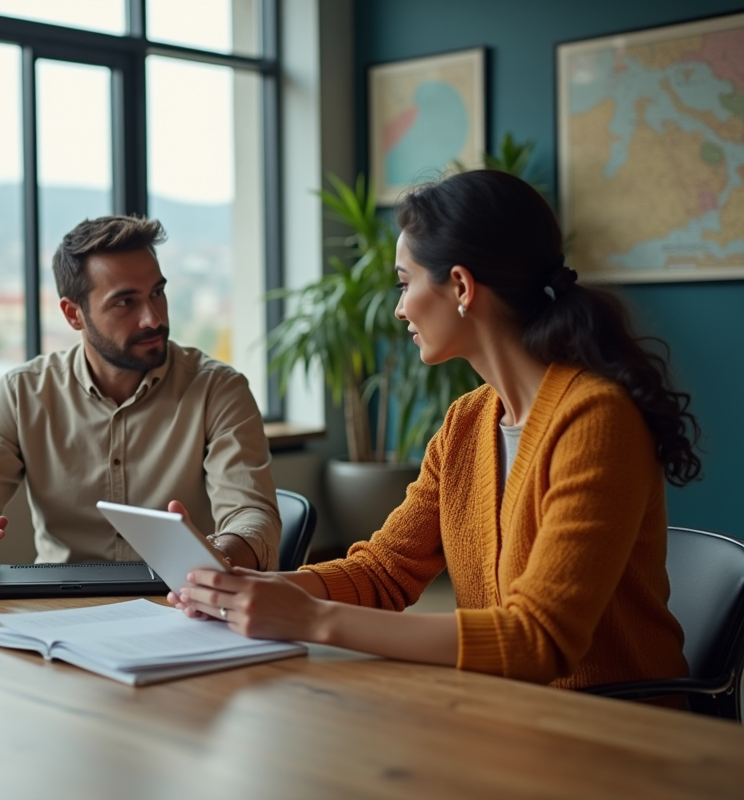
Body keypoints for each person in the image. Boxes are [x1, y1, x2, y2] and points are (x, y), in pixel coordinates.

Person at [174, 170, 699, 692]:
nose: (400, 308)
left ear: (463, 287)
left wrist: (310, 618)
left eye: (405, 283)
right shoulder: (466, 422)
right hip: (503, 718)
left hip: (616, 733)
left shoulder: (596, 420)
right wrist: (247, 588)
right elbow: (385, 572)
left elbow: (537, 640)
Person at [0, 215, 280, 579]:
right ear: (73, 314)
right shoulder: (22, 394)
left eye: (157, 292)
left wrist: (220, 554)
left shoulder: (218, 390)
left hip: (179, 600)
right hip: (58, 610)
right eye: (125, 302)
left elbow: (252, 517)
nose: (153, 319)